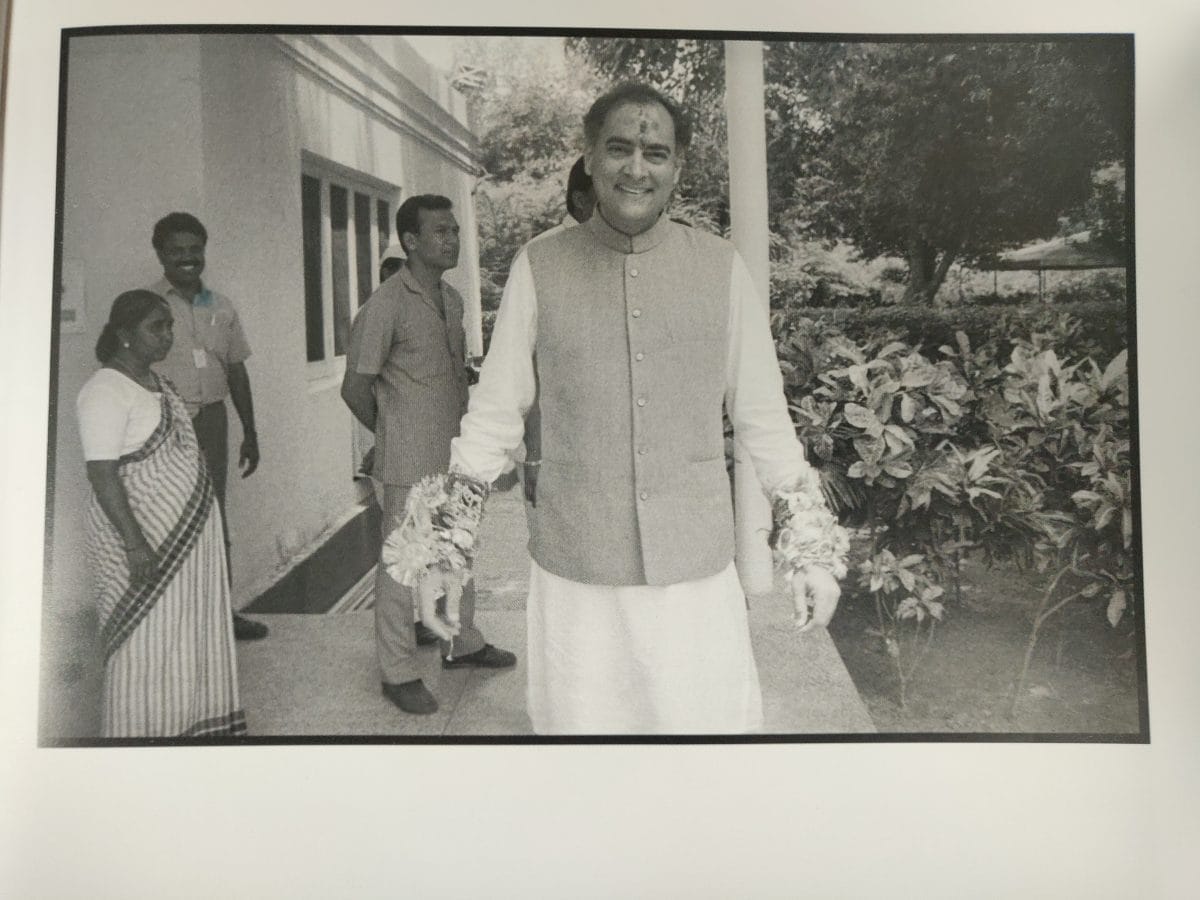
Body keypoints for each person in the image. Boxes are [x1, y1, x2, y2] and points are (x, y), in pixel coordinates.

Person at [390, 83, 849, 735]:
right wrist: (445, 549)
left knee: (701, 750)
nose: (638, 168)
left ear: (678, 168)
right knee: (587, 751)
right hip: (579, 574)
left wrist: (810, 547)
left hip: (692, 577)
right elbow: (492, 420)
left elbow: (763, 418)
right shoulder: (539, 265)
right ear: (590, 156)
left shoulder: (720, 268)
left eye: (656, 153)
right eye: (620, 148)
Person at [341, 194, 517, 716]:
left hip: (455, 452)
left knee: (456, 552)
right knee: (403, 567)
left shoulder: (453, 300)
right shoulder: (386, 305)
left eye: (455, 231)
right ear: (412, 241)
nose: (453, 240)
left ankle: (462, 644)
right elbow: (354, 387)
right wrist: (392, 431)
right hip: (408, 459)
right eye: (440, 232)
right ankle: (397, 671)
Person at [77, 290, 246, 737]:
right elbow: (103, 475)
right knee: (144, 644)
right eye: (157, 327)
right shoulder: (104, 390)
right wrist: (135, 544)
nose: (168, 335)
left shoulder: (155, 384)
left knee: (183, 634)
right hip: (141, 541)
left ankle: (189, 723)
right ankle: (141, 737)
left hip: (184, 544)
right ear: (123, 334)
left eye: (169, 325)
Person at [148, 212, 267, 641]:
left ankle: (221, 612)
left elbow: (236, 372)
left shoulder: (222, 306)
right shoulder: (148, 305)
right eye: (176, 251)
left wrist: (250, 432)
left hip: (213, 420)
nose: (186, 258)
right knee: (164, 515)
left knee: (212, 515)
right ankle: (171, 621)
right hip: (162, 422)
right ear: (160, 254)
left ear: (204, 252)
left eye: (194, 250)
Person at [522, 156, 596, 506]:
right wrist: (534, 454)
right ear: (581, 200)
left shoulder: (624, 255)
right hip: (561, 450)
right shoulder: (540, 258)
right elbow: (529, 370)